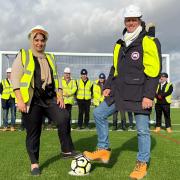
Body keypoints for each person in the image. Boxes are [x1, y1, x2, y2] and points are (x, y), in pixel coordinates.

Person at [83, 5, 161, 180]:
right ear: (124, 22)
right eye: (128, 20)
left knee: (142, 131)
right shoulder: (119, 44)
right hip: (119, 91)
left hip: (140, 93)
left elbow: (154, 71)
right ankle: (103, 149)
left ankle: (142, 163)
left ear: (140, 20)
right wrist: (108, 85)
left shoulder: (148, 41)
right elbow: (114, 68)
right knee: (99, 113)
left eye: (134, 19)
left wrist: (149, 95)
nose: (131, 22)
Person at [11, 25, 77, 176]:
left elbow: (56, 78)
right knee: (34, 132)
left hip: (49, 98)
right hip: (31, 100)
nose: (39, 43)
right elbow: (15, 78)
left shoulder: (50, 57)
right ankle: (34, 163)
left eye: (42, 40)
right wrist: (20, 100)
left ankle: (66, 149)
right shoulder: (24, 55)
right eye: (36, 40)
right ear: (31, 40)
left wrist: (59, 94)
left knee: (64, 116)